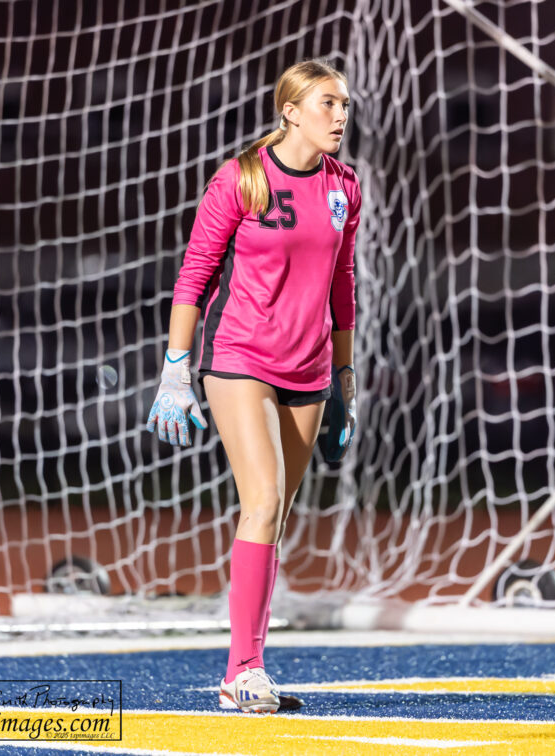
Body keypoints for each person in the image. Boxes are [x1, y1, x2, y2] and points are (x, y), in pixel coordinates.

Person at [145, 58, 360, 714]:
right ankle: (244, 670)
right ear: (290, 110)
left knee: (273, 510)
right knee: (263, 497)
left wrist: (345, 383)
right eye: (327, 103)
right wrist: (176, 368)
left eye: (345, 105)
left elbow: (343, 286)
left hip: (311, 370)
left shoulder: (345, 185)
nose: (341, 116)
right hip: (239, 358)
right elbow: (195, 274)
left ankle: (247, 660)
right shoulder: (242, 179)